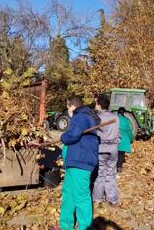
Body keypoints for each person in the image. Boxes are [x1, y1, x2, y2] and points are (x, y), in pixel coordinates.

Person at [59, 96, 100, 230]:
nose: (68, 110)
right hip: (74, 161)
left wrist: (62, 137)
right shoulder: (86, 116)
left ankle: (85, 227)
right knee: (68, 194)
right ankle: (66, 225)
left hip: (80, 162)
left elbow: (73, 134)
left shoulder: (81, 116)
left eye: (68, 107)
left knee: (81, 196)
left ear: (72, 106)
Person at [92, 95, 120, 205]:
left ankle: (98, 198)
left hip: (102, 148)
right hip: (113, 148)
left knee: (100, 173)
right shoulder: (115, 117)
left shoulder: (97, 118)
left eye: (96, 103)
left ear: (99, 105)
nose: (95, 106)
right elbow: (118, 134)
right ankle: (112, 198)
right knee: (111, 173)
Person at [117, 107, 133, 173]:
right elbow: (129, 131)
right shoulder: (126, 120)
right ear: (124, 113)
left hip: (114, 139)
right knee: (121, 155)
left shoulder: (114, 118)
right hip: (123, 140)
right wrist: (131, 139)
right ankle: (119, 168)